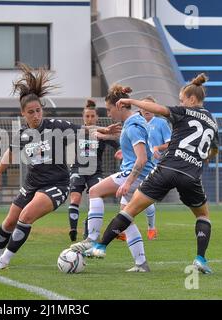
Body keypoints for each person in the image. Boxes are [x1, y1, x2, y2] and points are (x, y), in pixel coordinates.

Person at [0, 63, 120, 270]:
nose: (36, 115)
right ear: (23, 114)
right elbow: (10, 153)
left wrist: (104, 129)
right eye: (31, 112)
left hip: (56, 185)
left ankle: (4, 261)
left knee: (26, 216)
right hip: (32, 184)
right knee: (9, 222)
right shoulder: (23, 135)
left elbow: (85, 130)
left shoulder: (56, 126)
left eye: (38, 110)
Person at [88, 73, 219, 274]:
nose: (180, 103)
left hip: (167, 169)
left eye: (182, 100)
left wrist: (132, 101)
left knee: (130, 209)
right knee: (203, 216)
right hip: (191, 175)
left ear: (192, 100)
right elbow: (212, 150)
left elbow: (158, 109)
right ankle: (200, 259)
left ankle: (100, 246)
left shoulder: (184, 112)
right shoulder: (212, 121)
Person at [70, 84, 155, 272]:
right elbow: (139, 154)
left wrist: (128, 182)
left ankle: (91, 239)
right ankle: (141, 264)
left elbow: (141, 159)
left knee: (94, 191)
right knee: (127, 218)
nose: (108, 113)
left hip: (137, 176)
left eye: (109, 109)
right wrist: (125, 154)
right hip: (143, 175)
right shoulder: (137, 122)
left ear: (120, 106)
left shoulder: (132, 126)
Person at [67, 99, 119, 242]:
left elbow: (117, 145)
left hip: (95, 172)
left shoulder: (101, 133)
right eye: (87, 116)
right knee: (75, 198)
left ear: (97, 117)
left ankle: (88, 225)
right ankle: (73, 230)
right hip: (78, 169)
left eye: (92, 116)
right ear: (83, 117)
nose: (90, 119)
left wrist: (120, 151)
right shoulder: (77, 132)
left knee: (95, 199)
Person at [139, 96, 172, 240]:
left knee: (146, 197)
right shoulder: (136, 123)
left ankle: (151, 228)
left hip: (154, 166)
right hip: (136, 164)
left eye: (150, 106)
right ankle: (123, 230)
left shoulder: (161, 123)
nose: (147, 109)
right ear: (140, 109)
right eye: (144, 107)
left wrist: (158, 147)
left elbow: (170, 143)